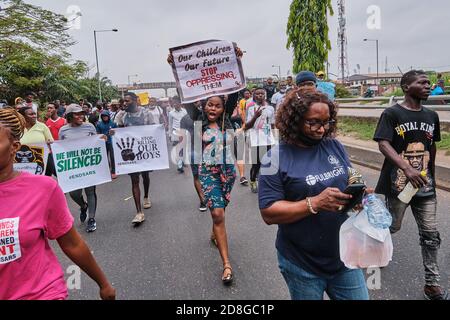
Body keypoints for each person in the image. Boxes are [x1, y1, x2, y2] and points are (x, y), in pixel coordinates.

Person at [258, 89, 369, 300]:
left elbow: (351, 174)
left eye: (327, 122)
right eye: (313, 122)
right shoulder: (274, 159)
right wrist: (315, 203)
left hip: (344, 256)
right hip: (302, 264)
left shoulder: (333, 145)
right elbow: (269, 213)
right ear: (294, 120)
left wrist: (360, 193)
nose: (321, 129)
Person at [0, 107, 115, 300]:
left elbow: (72, 244)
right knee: (77, 194)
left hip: (42, 293)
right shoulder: (64, 131)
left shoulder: (43, 189)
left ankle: (90, 214)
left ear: (14, 147)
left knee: (90, 192)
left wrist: (104, 285)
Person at [167, 46, 244, 285]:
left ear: (223, 108)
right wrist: (174, 66)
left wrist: (237, 61)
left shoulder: (227, 121)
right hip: (207, 173)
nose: (212, 108)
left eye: (217, 106)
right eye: (208, 105)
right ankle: (227, 264)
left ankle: (215, 229)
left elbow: (236, 90)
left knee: (221, 210)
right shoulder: (198, 117)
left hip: (227, 172)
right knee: (218, 212)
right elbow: (185, 90)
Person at [373, 70, 447, 300]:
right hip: (399, 185)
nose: (428, 86)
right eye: (422, 82)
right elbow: (383, 144)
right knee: (391, 227)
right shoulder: (392, 113)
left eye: (429, 82)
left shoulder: (431, 115)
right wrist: (406, 168)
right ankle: (372, 253)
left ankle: (432, 283)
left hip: (425, 187)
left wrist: (431, 175)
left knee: (430, 234)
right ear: (406, 87)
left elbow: (432, 146)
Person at [59, 104, 101, 233]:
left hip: (88, 165)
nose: (81, 116)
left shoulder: (90, 127)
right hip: (73, 167)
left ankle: (92, 219)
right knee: (74, 193)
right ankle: (83, 206)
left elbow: (96, 142)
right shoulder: (63, 130)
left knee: (90, 191)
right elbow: (60, 147)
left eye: (82, 113)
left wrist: (102, 139)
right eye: (77, 114)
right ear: (70, 116)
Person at [115, 92, 156, 225]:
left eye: (127, 101)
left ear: (135, 101)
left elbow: (153, 130)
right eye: (123, 101)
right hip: (130, 152)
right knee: (134, 180)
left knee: (145, 176)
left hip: (143, 151)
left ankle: (146, 196)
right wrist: (113, 133)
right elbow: (119, 132)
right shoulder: (121, 115)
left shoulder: (146, 114)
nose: (124, 104)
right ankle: (139, 212)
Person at [245, 87, 275, 193]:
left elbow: (272, 124)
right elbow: (247, 125)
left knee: (268, 163)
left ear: (265, 95)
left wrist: (274, 137)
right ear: (254, 95)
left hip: (268, 140)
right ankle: (253, 181)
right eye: (257, 94)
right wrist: (255, 116)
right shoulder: (250, 108)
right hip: (255, 140)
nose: (260, 95)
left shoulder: (270, 108)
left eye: (262, 93)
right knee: (256, 164)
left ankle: (267, 184)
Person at [179, 101, 207, 212]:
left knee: (208, 174)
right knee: (197, 175)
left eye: (197, 102)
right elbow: (182, 136)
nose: (196, 104)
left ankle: (210, 194)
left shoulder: (206, 115)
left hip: (209, 150)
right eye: (193, 102)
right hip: (193, 150)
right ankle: (202, 200)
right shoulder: (185, 119)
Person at [45, 102, 66, 176]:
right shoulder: (46, 122)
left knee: (62, 169)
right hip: (51, 151)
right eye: (48, 108)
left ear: (56, 109)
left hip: (62, 149)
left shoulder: (63, 121)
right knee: (53, 170)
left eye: (51, 108)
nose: (49, 109)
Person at [96, 110, 118, 179]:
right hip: (103, 143)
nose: (105, 117)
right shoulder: (99, 124)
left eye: (106, 116)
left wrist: (113, 133)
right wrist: (101, 137)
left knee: (112, 157)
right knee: (105, 158)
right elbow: (98, 133)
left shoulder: (113, 123)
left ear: (108, 116)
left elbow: (117, 132)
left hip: (111, 142)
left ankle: (113, 171)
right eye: (103, 116)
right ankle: (107, 171)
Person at [168, 97, 188, 172]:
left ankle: (182, 161)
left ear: (180, 103)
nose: (174, 104)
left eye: (176, 103)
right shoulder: (171, 113)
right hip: (175, 133)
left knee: (184, 148)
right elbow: (170, 124)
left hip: (184, 132)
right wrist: (170, 135)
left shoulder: (185, 111)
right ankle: (180, 166)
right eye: (173, 103)